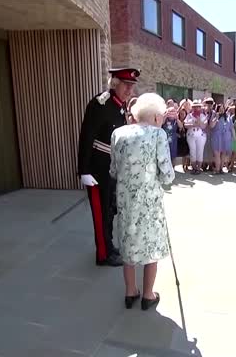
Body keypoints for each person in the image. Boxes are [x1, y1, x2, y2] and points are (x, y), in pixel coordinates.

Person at [109, 92, 175, 310]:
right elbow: (167, 175)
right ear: (156, 117)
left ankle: (130, 292)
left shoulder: (118, 133)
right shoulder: (158, 134)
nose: (163, 120)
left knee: (128, 242)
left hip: (126, 199)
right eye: (163, 116)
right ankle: (147, 295)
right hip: (149, 202)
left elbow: (113, 170)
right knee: (151, 244)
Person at [77, 67, 140, 267]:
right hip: (97, 168)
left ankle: (109, 246)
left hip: (112, 167)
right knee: (100, 212)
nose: (130, 90)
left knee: (110, 210)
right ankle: (103, 254)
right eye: (126, 85)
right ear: (115, 84)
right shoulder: (100, 103)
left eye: (132, 86)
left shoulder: (120, 106)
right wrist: (83, 170)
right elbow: (86, 137)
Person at [183, 100, 208, 174]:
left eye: (198, 107)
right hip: (191, 136)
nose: (197, 108)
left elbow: (204, 126)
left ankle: (198, 168)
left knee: (200, 151)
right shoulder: (189, 115)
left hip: (201, 136)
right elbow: (185, 125)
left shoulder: (203, 116)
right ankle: (194, 168)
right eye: (195, 107)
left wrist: (199, 122)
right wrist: (192, 124)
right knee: (192, 151)